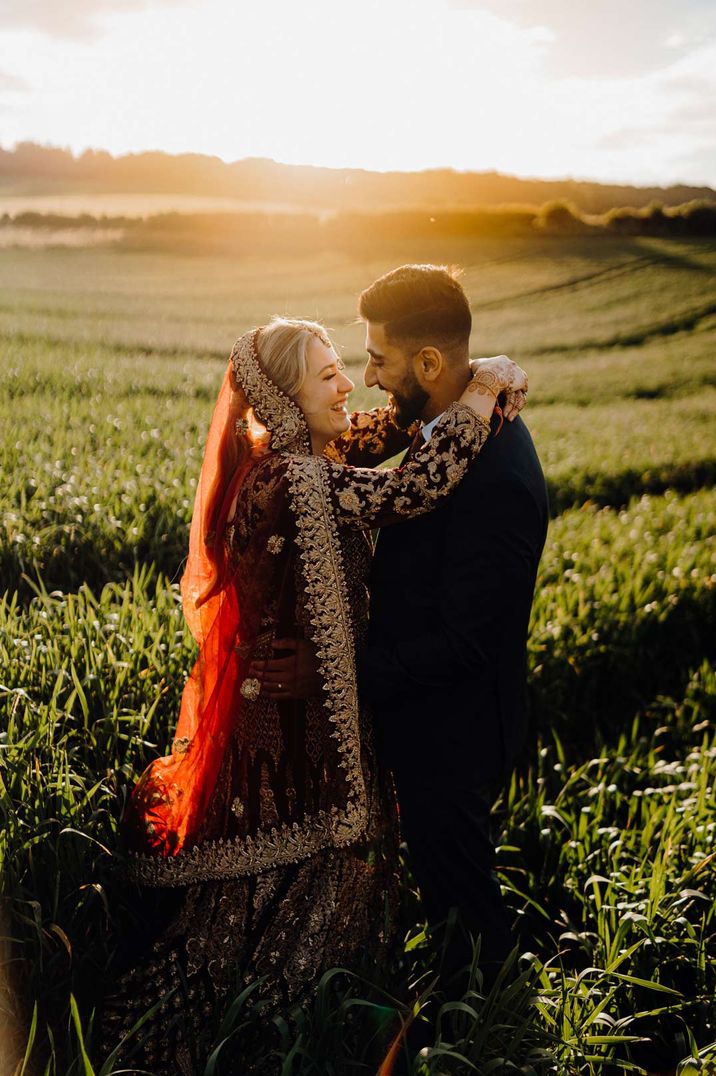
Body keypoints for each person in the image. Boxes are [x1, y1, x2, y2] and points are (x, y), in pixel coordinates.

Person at [98, 316, 526, 1074]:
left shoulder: (293, 455)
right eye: (327, 373)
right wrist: (484, 389)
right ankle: (300, 1011)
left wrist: (467, 377)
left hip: (303, 697)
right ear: (287, 398)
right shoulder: (295, 477)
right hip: (294, 719)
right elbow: (413, 487)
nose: (348, 384)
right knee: (296, 881)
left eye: (344, 366)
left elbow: (384, 428)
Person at [358, 265, 549, 989]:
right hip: (434, 718)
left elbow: (466, 641)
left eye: (379, 358)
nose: (370, 376)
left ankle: (490, 1035)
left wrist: (347, 674)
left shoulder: (493, 476)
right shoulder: (449, 429)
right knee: (444, 893)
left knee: (466, 913)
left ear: (430, 363)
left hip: (454, 730)